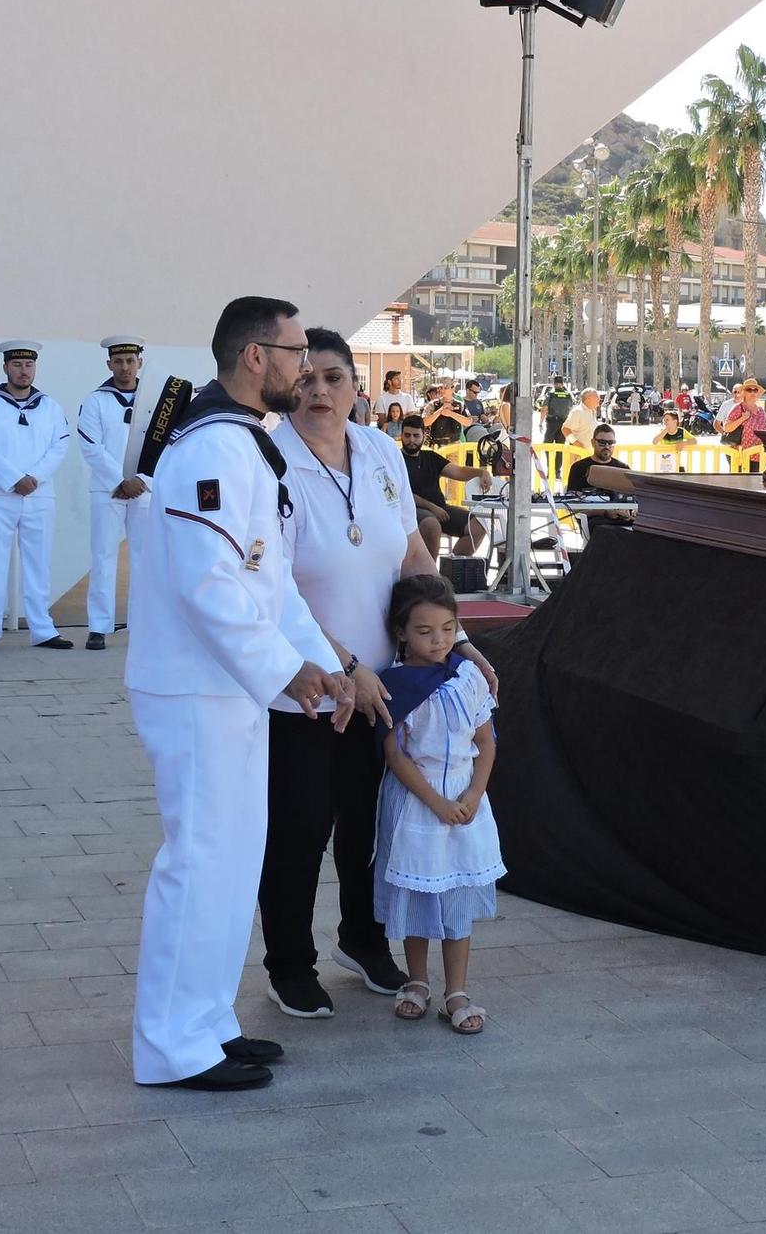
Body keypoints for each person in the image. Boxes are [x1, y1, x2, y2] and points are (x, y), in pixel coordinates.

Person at [124, 295, 352, 1092]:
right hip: (194, 687)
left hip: (231, 689)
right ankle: (172, 1046)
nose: (304, 365)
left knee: (230, 860)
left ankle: (208, 1024)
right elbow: (209, 586)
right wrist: (286, 670)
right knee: (200, 861)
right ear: (256, 357)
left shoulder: (248, 445)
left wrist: (324, 664)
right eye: (294, 351)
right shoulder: (210, 449)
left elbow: (273, 582)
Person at [258, 329, 499, 1020]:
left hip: (389, 686)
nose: (319, 392)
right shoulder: (269, 462)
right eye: (305, 379)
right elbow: (276, 592)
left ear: (357, 386)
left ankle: (362, 940)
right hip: (305, 685)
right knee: (303, 826)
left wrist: (457, 641)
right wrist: (346, 666)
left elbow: (413, 556)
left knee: (372, 824)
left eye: (333, 377)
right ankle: (289, 962)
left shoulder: (382, 452)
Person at [375, 575, 503, 1037]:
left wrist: (471, 796)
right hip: (417, 803)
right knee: (419, 891)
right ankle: (416, 980)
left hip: (465, 802)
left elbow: (486, 742)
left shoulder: (467, 677)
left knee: (455, 897)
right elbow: (395, 753)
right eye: (426, 631)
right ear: (401, 632)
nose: (439, 640)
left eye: (448, 629)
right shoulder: (393, 684)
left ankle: (457, 990)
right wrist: (434, 802)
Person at [0, 340, 73, 652]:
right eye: (17, 365)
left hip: (39, 496)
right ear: (5, 368)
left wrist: (35, 477)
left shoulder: (51, 407)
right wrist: (14, 479)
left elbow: (60, 446)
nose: (23, 371)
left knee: (39, 564)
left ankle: (42, 628)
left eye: (28, 365)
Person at [75, 336, 151, 651]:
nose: (124, 367)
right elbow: (89, 445)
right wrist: (119, 480)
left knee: (145, 559)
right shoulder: (96, 400)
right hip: (108, 491)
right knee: (103, 556)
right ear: (109, 364)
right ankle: (98, 626)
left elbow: (162, 445)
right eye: (118, 361)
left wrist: (141, 479)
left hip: (145, 489)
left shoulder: (153, 400)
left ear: (139, 363)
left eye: (130, 361)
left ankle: (144, 624)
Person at [399, 414, 489, 557]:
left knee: (479, 525)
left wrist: (481, 473)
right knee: (431, 525)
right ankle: (431, 575)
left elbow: (458, 472)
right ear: (401, 435)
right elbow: (401, 493)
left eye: (416, 436)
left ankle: (452, 571)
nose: (411, 440)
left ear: (424, 434)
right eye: (407, 435)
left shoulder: (431, 457)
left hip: (440, 509)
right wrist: (432, 507)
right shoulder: (396, 459)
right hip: (411, 509)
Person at [565, 424, 631, 495]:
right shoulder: (578, 467)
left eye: (611, 443)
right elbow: (571, 496)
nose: (607, 446)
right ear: (593, 442)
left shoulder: (623, 469)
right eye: (602, 442)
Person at [721, 380, 766, 454]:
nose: (753, 392)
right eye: (749, 390)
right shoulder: (738, 408)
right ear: (744, 393)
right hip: (741, 454)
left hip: (759, 454)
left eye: (755, 390)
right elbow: (726, 428)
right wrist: (742, 419)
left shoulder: (761, 410)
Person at [650, 406, 695, 472]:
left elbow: (694, 440)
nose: (665, 422)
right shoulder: (663, 432)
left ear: (675, 421)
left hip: (676, 463)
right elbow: (654, 441)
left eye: (667, 420)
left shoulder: (681, 431)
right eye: (664, 420)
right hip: (664, 465)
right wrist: (665, 430)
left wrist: (684, 443)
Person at [541, 375, 574, 444]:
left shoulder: (551, 394)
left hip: (552, 421)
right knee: (560, 444)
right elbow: (571, 409)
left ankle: (549, 455)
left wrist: (541, 422)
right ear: (562, 384)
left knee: (547, 443)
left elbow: (544, 409)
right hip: (564, 421)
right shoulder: (568, 395)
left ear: (554, 384)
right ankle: (559, 455)